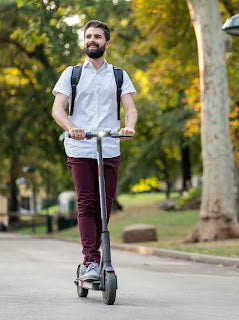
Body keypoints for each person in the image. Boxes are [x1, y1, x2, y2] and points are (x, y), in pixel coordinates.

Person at [51, 20, 137, 281]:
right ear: (84, 40)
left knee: (106, 206)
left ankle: (94, 256)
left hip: (109, 146)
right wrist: (72, 126)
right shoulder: (72, 74)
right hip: (79, 147)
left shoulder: (119, 75)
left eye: (98, 36)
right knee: (87, 203)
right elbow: (57, 109)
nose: (92, 40)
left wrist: (129, 126)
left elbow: (130, 108)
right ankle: (90, 259)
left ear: (106, 43)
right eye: (88, 36)